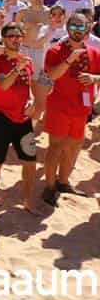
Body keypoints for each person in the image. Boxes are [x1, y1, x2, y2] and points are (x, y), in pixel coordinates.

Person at [41, 13, 100, 207]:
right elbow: (52, 75)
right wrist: (68, 60)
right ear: (67, 28)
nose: (77, 30)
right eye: (73, 26)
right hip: (59, 106)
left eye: (81, 27)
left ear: (87, 29)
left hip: (82, 108)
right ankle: (49, 187)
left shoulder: (94, 52)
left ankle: (63, 181)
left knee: (75, 145)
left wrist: (94, 78)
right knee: (56, 147)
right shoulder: (56, 50)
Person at [0, 22, 41, 213]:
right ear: (4, 39)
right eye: (11, 36)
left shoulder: (27, 62)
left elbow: (28, 88)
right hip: (1, 119)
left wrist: (31, 101)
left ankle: (27, 201)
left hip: (23, 120)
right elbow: (3, 86)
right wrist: (17, 67)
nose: (15, 40)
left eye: (18, 36)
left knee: (30, 162)